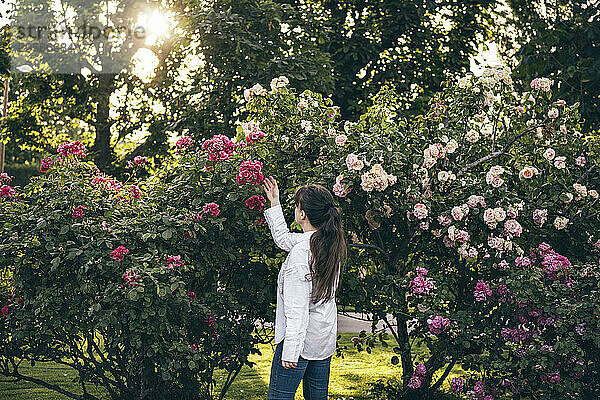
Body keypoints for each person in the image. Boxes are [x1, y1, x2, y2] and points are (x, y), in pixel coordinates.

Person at [262, 176, 347, 400]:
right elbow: (282, 239)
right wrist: (274, 203)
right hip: (321, 343)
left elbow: (297, 308)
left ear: (302, 214)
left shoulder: (302, 253)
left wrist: (290, 350)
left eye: (297, 207)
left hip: (297, 345)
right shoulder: (328, 244)